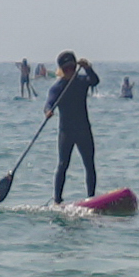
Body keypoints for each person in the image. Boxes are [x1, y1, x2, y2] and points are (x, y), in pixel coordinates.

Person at [44, 51, 101, 204]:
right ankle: (57, 200)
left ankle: (91, 198)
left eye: (71, 67)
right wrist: (48, 111)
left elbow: (95, 81)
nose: (69, 71)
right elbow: (49, 103)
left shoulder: (82, 81)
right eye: (66, 69)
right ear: (61, 70)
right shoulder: (58, 88)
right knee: (63, 164)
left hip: (83, 130)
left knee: (89, 163)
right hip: (66, 132)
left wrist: (88, 68)